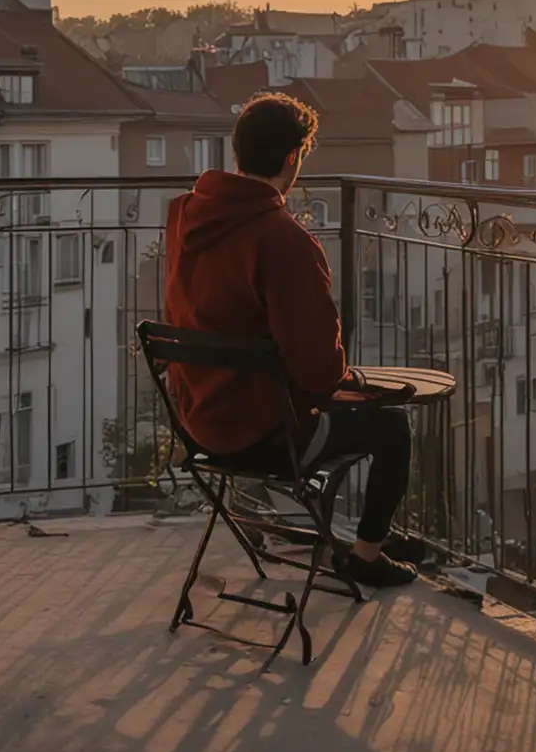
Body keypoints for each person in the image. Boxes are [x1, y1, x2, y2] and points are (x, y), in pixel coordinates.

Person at [163, 91, 418, 588]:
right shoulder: (283, 240)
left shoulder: (183, 218)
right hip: (264, 433)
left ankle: (352, 539)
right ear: (291, 158)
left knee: (365, 412)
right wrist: (353, 383)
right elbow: (319, 372)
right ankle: (366, 555)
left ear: (238, 152)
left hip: (197, 423)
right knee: (393, 427)